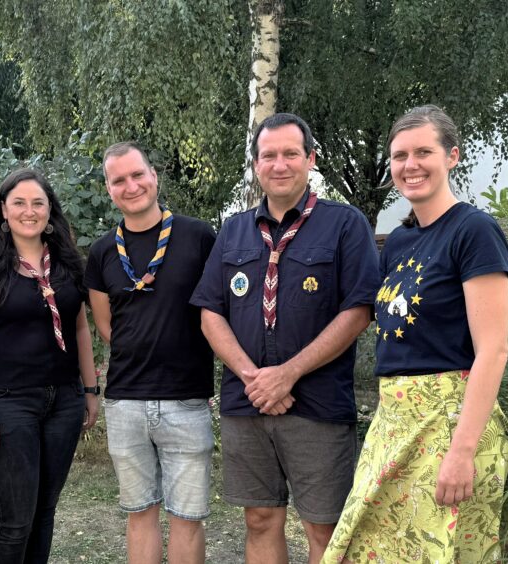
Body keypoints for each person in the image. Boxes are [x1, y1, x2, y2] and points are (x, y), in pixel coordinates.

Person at [323, 105, 508, 563]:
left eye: (424, 152)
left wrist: (462, 451)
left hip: (451, 424)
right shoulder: (400, 241)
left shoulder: (474, 231)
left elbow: (493, 349)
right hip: (394, 421)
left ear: (452, 156)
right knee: (362, 547)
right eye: (400, 155)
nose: (410, 165)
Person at [190, 113, 381, 564]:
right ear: (256, 164)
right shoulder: (234, 230)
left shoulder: (345, 224)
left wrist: (287, 375)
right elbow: (210, 312)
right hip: (247, 402)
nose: (280, 164)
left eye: (291, 154)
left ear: (310, 159)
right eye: (269, 155)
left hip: (317, 405)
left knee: (324, 528)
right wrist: (255, 379)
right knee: (259, 519)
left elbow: (359, 311)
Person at [0, 168, 100, 563]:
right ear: (3, 209)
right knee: (14, 521)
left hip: (64, 401)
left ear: (50, 210)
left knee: (44, 512)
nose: (29, 211)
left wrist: (90, 390)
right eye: (19, 202)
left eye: (38, 203)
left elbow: (79, 328)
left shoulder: (68, 264)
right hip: (7, 403)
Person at [85, 142, 216, 564]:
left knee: (187, 518)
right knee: (140, 514)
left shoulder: (199, 237)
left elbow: (217, 312)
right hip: (125, 402)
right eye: (118, 180)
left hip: (187, 399)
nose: (131, 186)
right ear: (109, 189)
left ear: (154, 176)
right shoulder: (102, 251)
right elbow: (107, 326)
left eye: (137, 174)